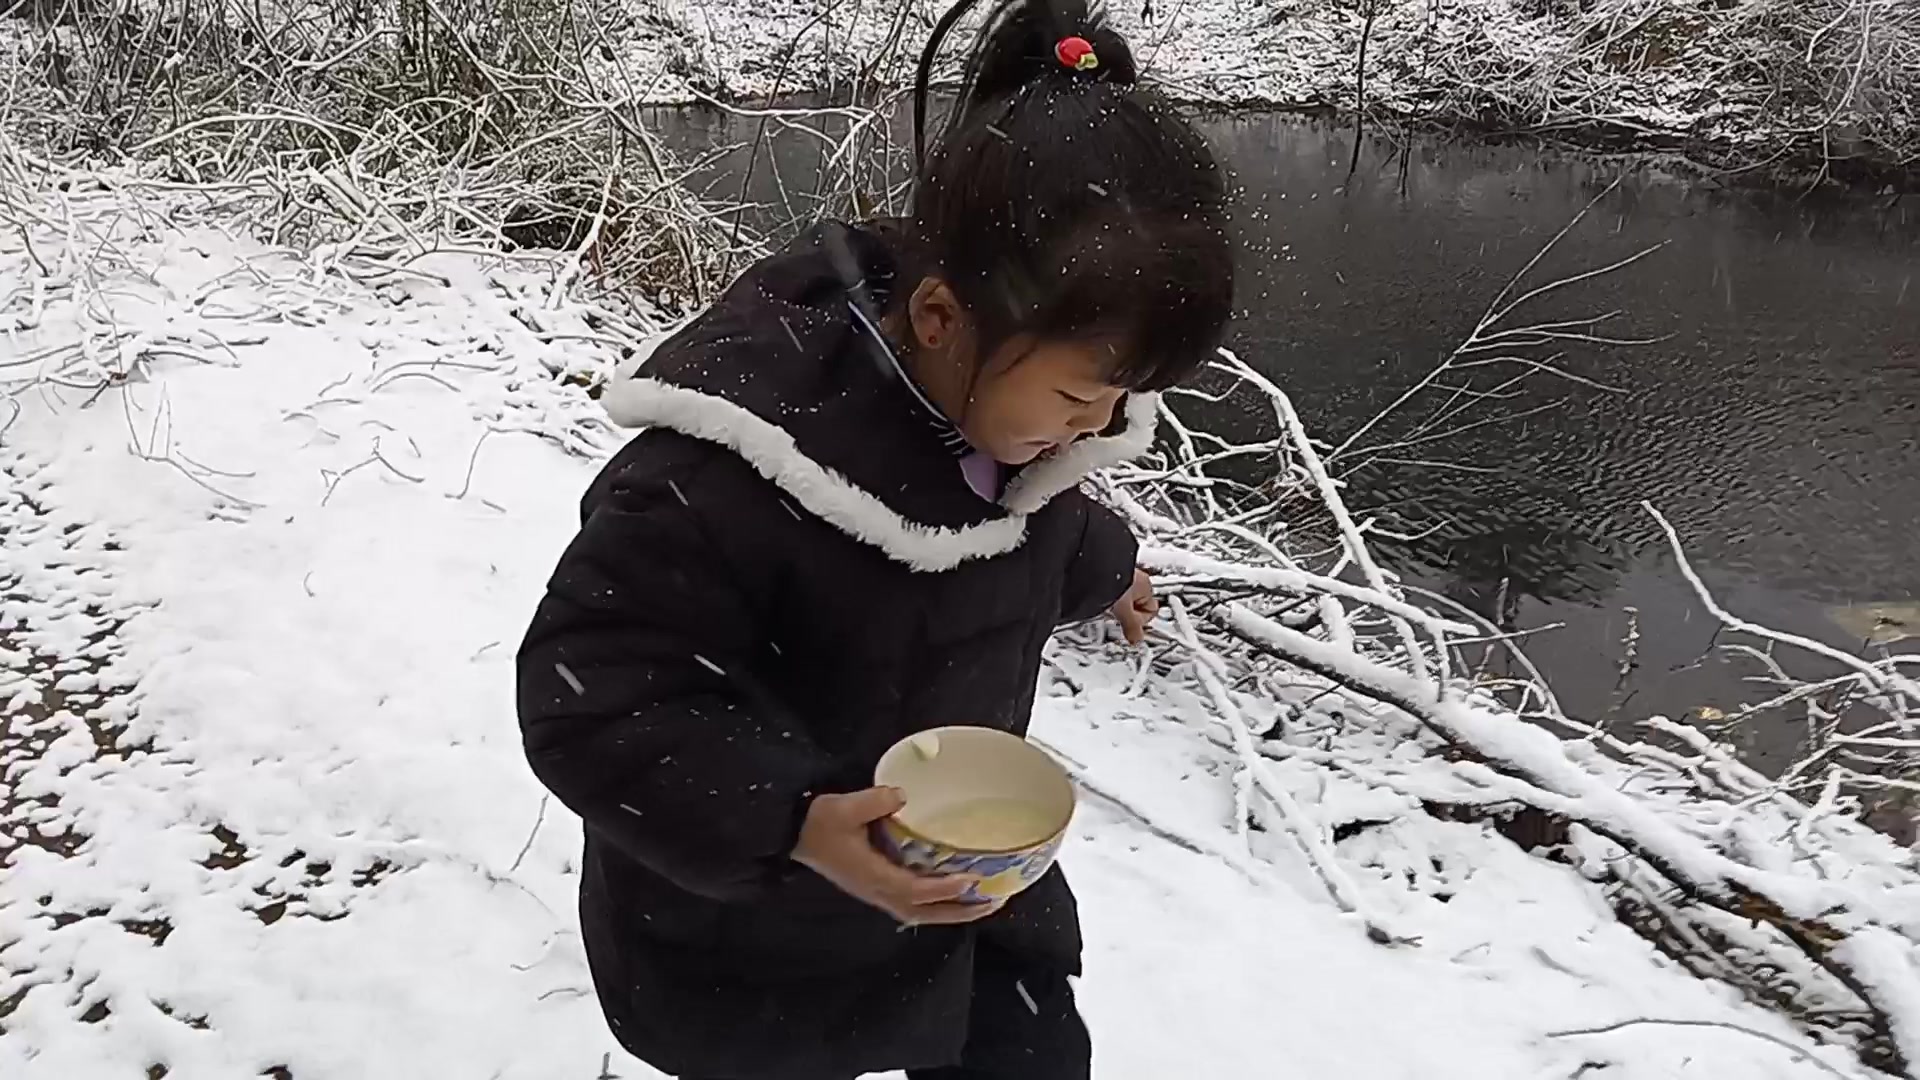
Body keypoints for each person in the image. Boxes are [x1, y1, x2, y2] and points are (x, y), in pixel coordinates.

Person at [514, 0, 1233, 1075]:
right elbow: (597, 694)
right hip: (760, 930)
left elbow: (1038, 530)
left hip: (963, 890)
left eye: (1122, 400)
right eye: (1082, 396)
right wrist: (794, 820)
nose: (1098, 429)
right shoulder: (730, 477)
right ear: (941, 318)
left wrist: (1114, 569)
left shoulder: (1015, 440)